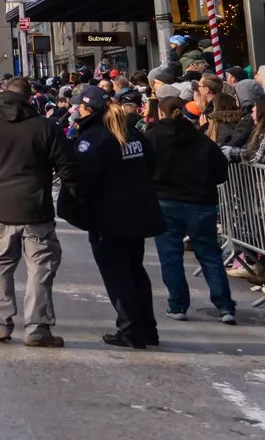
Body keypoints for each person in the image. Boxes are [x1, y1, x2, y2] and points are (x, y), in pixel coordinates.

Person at [0, 77, 76, 347]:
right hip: (34, 208)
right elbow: (67, 166)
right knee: (40, 268)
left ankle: (0, 324)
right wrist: (73, 198)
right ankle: (37, 327)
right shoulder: (45, 126)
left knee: (0, 267)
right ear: (30, 98)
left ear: (2, 94)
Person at [65, 85, 164, 349]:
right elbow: (151, 167)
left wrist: (77, 210)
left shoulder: (94, 139)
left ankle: (130, 329)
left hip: (109, 217)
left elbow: (82, 180)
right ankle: (146, 328)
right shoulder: (133, 135)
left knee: (118, 275)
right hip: (137, 214)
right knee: (135, 272)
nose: (76, 110)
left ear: (90, 109)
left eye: (80, 106)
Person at [146, 93, 236, 324]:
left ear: (161, 113)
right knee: (209, 255)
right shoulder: (200, 139)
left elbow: (143, 168)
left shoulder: (153, 138)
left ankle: (178, 305)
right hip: (201, 203)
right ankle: (225, 306)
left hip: (166, 202)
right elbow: (220, 170)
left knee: (170, 256)